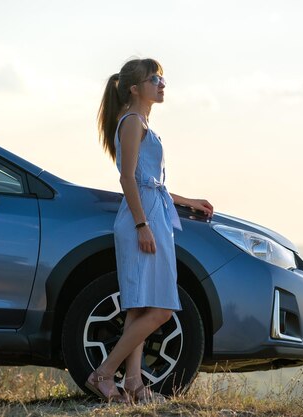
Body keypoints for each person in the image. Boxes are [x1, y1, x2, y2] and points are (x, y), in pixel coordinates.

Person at [91, 58, 214, 404]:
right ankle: (103, 373)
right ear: (134, 88)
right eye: (154, 79)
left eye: (162, 78)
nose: (161, 84)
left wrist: (189, 200)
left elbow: (152, 183)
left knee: (139, 308)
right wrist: (142, 224)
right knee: (161, 308)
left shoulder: (141, 122)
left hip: (153, 214)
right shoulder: (131, 122)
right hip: (142, 220)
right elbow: (127, 178)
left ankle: (133, 383)